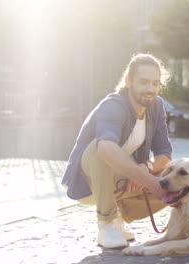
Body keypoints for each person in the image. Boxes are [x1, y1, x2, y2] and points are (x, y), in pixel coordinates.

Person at [61, 54, 172, 249]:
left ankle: (117, 217)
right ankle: (106, 222)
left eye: (155, 83)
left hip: (123, 180)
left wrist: (145, 168)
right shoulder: (114, 105)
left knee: (175, 178)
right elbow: (105, 148)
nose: (150, 89)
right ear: (129, 81)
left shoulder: (157, 106)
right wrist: (149, 182)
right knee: (102, 148)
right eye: (144, 82)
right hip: (88, 182)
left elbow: (165, 155)